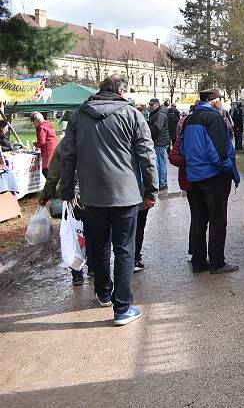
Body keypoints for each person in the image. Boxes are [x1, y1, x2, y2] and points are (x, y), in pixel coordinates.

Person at [59, 74, 158, 326]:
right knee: (124, 249)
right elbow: (147, 155)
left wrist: (67, 191)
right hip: (125, 194)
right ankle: (121, 308)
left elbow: (67, 156)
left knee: (100, 245)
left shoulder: (79, 115)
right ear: (122, 90)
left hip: (92, 195)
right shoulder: (132, 114)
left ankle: (104, 293)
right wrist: (151, 190)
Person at [181, 88, 241, 274]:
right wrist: (228, 168)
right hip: (213, 176)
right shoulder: (213, 118)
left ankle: (198, 262)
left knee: (198, 220)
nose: (222, 103)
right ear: (215, 101)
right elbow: (219, 151)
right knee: (217, 219)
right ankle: (217, 262)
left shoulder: (190, 118)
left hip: (195, 175)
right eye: (221, 100)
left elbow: (183, 148)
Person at [40, 141, 93, 286]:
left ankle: (77, 274)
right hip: (94, 195)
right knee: (93, 232)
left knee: (73, 234)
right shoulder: (96, 137)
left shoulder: (65, 143)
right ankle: (93, 266)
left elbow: (53, 174)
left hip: (71, 196)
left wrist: (45, 197)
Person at [169, 104, 195, 261]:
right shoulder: (183, 138)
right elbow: (173, 156)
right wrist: (190, 162)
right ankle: (195, 252)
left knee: (201, 218)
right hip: (190, 182)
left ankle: (197, 252)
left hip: (198, 181)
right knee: (198, 217)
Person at [147, 98, 170, 190]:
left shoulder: (159, 114)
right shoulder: (157, 113)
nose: (150, 106)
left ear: (157, 105)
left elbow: (157, 128)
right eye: (150, 104)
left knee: (161, 164)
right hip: (159, 141)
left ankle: (162, 183)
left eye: (152, 105)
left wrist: (147, 126)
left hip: (160, 142)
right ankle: (162, 183)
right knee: (160, 163)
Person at [31, 112, 58, 177]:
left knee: (45, 169)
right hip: (54, 147)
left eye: (33, 122)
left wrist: (36, 144)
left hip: (48, 149)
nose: (34, 124)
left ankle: (51, 186)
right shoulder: (48, 125)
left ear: (36, 121)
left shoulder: (41, 128)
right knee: (53, 168)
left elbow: (41, 142)